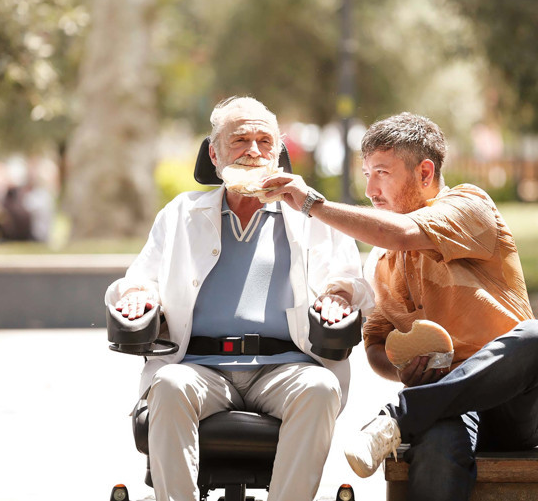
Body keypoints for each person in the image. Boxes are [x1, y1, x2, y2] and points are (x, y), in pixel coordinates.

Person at [263, 112, 538, 501]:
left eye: (382, 173)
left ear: (425, 173)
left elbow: (404, 234)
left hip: (521, 404)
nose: (371, 189)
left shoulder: (469, 205)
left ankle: (399, 416)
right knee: (438, 445)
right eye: (366, 174)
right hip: (444, 403)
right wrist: (400, 369)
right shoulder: (379, 262)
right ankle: (411, 413)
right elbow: (375, 346)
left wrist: (313, 204)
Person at [104, 96, 374, 501]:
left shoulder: (312, 215)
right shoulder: (181, 213)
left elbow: (351, 281)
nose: (253, 151)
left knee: (320, 388)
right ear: (214, 154)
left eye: (265, 141)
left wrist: (340, 295)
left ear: (278, 154)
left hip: (286, 366)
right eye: (240, 140)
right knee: (168, 384)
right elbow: (140, 279)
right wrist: (140, 294)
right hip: (199, 366)